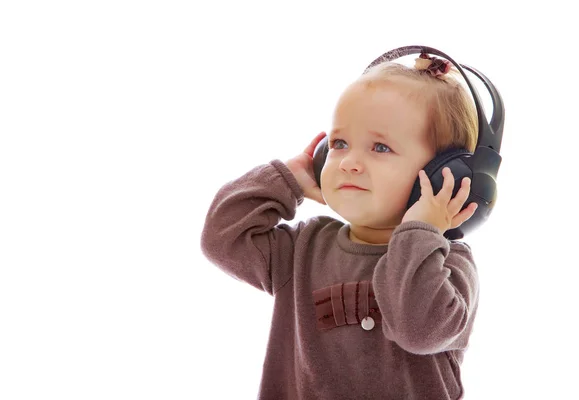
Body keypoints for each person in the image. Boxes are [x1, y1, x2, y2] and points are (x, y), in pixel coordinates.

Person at [200, 52, 481, 399]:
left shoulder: (448, 265)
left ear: (444, 175)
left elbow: (417, 330)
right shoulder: (303, 250)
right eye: (339, 144)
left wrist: (421, 232)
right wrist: (285, 180)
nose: (349, 162)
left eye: (380, 147)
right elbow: (222, 238)